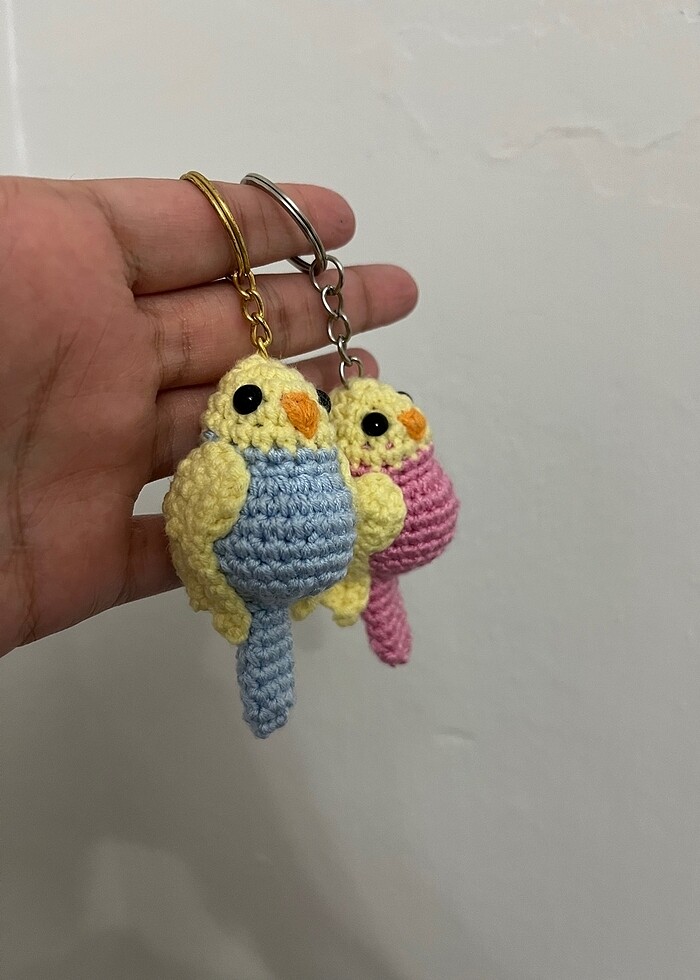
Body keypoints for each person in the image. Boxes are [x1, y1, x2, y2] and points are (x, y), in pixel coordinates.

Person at [0, 175, 418, 657]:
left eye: (317, 403)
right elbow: (196, 524)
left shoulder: (325, 462)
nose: (303, 410)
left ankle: (371, 604)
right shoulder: (227, 464)